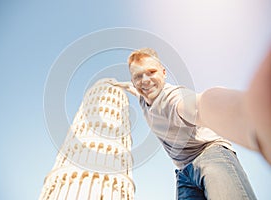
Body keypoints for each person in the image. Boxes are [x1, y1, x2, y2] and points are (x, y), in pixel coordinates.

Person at [106, 48, 259, 199]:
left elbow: (195, 106)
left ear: (163, 73)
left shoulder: (170, 97)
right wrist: (120, 85)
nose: (145, 80)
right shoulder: (142, 96)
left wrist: (237, 108)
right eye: (138, 76)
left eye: (151, 72)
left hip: (210, 154)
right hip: (183, 173)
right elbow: (133, 88)